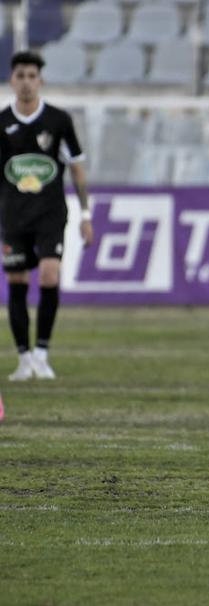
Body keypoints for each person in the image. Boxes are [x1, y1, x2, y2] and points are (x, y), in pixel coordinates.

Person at [1, 51, 93, 382]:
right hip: (13, 216)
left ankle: (42, 352)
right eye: (20, 75)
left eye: (31, 76)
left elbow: (77, 170)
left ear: (41, 81)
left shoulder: (58, 121)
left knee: (50, 276)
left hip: (51, 214)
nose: (26, 82)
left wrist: (85, 214)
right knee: (16, 281)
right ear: (12, 81)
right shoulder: (2, 122)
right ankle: (23, 358)